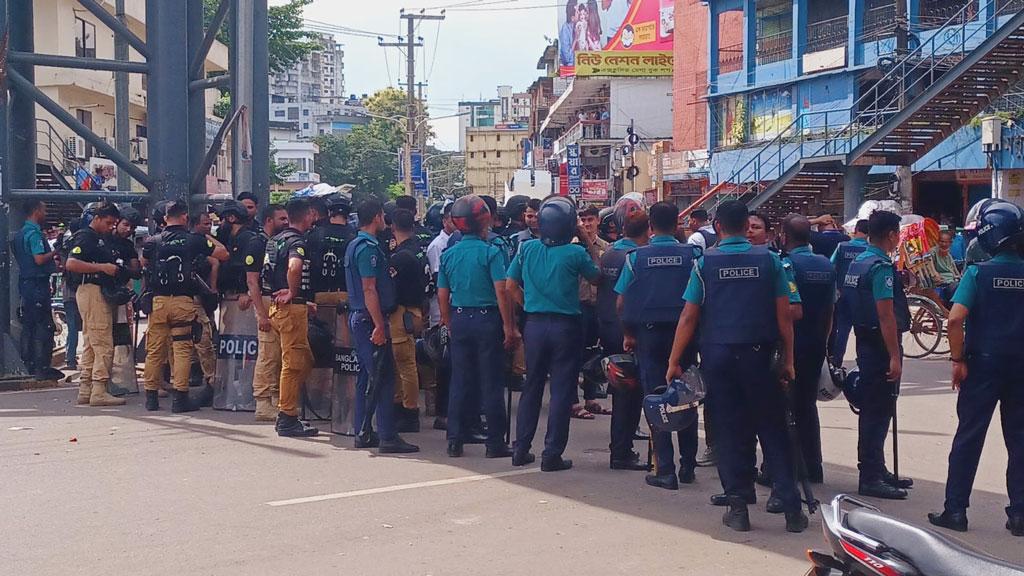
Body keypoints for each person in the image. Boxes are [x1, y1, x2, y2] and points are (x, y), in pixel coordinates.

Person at [665, 200, 807, 533]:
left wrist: (674, 360)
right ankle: (791, 510)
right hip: (760, 356)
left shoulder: (704, 264)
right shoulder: (771, 261)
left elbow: (689, 315)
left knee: (730, 431)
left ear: (717, 227)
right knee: (773, 429)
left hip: (718, 357)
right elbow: (784, 315)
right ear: (746, 226)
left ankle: (739, 507)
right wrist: (788, 358)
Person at [928, 200, 1024, 537]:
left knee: (968, 437)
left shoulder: (978, 273)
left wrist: (958, 360)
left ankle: (955, 510)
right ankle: (1019, 515)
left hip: (982, 367)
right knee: (1020, 441)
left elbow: (955, 319)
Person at [506, 196, 601, 472]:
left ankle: (521, 448)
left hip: (534, 324)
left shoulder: (526, 249)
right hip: (566, 326)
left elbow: (510, 286)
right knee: (561, 390)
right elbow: (596, 276)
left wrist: (530, 306)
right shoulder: (575, 253)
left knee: (532, 386)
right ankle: (552, 454)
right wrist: (585, 240)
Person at [616, 202, 701, 490]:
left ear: (650, 226)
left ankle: (665, 468)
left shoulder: (635, 258)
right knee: (686, 395)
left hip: (648, 337)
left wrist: (628, 333)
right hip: (685, 336)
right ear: (678, 224)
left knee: (656, 400)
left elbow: (621, 301)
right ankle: (688, 464)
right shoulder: (694, 255)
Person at [438, 195, 519, 458]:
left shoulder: (449, 254)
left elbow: (442, 293)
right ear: (484, 220)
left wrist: (448, 320)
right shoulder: (491, 252)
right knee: (491, 381)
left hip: (460, 318)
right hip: (487, 319)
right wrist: (509, 327)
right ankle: (495, 442)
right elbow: (502, 291)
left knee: (460, 380)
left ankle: (454, 439)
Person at [841, 210, 913, 500]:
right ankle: (870, 475)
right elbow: (886, 315)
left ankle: (876, 468)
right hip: (880, 345)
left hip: (864, 340)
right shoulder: (881, 267)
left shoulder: (858, 262)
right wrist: (894, 357)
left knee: (874, 409)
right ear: (892, 235)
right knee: (878, 411)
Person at [345, 199, 419, 453]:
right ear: (377, 217)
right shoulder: (367, 248)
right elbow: (369, 289)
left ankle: (363, 431)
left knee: (367, 375)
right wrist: (378, 325)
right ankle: (387, 435)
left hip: (363, 317)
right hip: (368, 319)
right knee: (384, 376)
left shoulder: (357, 244)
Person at [141, 200, 228, 412]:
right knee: (182, 349)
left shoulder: (153, 241)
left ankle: (151, 398)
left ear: (164, 219)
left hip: (158, 301)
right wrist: (204, 237)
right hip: (183, 301)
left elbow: (144, 263)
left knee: (155, 351)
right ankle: (180, 399)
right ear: (185, 217)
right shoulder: (193, 240)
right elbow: (222, 253)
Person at [780, 214, 835, 484]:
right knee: (807, 406)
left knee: (786, 407)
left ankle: (789, 469)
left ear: (783, 236)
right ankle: (814, 466)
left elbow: (788, 311)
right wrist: (823, 342)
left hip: (792, 345)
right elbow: (830, 310)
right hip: (816, 343)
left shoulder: (786, 265)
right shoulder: (825, 264)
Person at [261, 199, 320, 436]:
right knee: (293, 364)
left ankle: (287, 410)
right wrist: (294, 293)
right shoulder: (297, 241)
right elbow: (294, 267)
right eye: (312, 215)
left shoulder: (275, 240)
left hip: (281, 307)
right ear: (306, 216)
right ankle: (287, 416)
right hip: (290, 309)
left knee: (303, 359)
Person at [598, 208, 649, 470]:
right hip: (627, 332)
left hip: (607, 328)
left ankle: (621, 446)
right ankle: (621, 451)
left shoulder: (610, 252)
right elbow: (626, 300)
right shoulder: (635, 257)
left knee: (620, 392)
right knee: (629, 394)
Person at [66, 202, 126, 406]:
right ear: (97, 218)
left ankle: (86, 388)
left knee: (91, 342)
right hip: (92, 290)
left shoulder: (97, 238)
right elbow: (71, 263)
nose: (111, 227)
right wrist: (103, 267)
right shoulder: (86, 237)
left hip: (91, 290)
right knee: (103, 342)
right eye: (108, 222)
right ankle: (99, 389)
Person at [388, 208, 430, 433]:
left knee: (403, 365)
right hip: (415, 310)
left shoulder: (401, 256)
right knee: (406, 364)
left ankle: (408, 410)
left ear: (393, 227)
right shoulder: (418, 250)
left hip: (401, 313)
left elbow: (391, 287)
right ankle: (406, 408)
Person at [249, 204, 289, 421]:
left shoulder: (277, 242)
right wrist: (262, 314)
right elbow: (252, 281)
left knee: (279, 354)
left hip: (276, 300)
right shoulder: (257, 243)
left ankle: (275, 399)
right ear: (268, 220)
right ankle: (263, 403)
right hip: (265, 301)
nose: (286, 222)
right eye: (281, 218)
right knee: (267, 354)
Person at [15, 200, 62, 381]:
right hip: (37, 285)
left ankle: (29, 365)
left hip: (26, 284)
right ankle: (42, 367)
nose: (46, 212)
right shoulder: (34, 234)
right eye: (44, 209)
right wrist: (56, 251)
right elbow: (39, 260)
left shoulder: (21, 234)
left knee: (29, 325)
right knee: (44, 326)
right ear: (36, 211)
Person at [574, 205, 610, 419]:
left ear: (598, 221)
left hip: (599, 306)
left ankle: (591, 398)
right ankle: (574, 402)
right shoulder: (573, 247)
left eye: (590, 220)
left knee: (595, 355)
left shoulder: (606, 248)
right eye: (583, 220)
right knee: (575, 354)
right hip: (579, 306)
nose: (587, 224)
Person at [425, 201, 456, 428]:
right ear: (445, 220)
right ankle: (442, 413)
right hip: (443, 313)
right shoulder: (439, 245)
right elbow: (440, 284)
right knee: (445, 365)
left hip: (456, 312)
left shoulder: (458, 242)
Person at [188, 210, 219, 405]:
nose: (209, 227)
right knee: (202, 337)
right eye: (205, 224)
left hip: (199, 295)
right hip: (192, 296)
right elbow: (220, 255)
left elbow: (215, 262)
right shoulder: (198, 241)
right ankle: (210, 379)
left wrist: (212, 289)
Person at [829, 219, 869, 366]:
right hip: (862, 296)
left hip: (843, 294)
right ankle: (862, 362)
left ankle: (837, 361)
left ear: (856, 230)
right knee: (862, 329)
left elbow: (831, 267)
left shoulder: (842, 247)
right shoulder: (870, 250)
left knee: (843, 329)